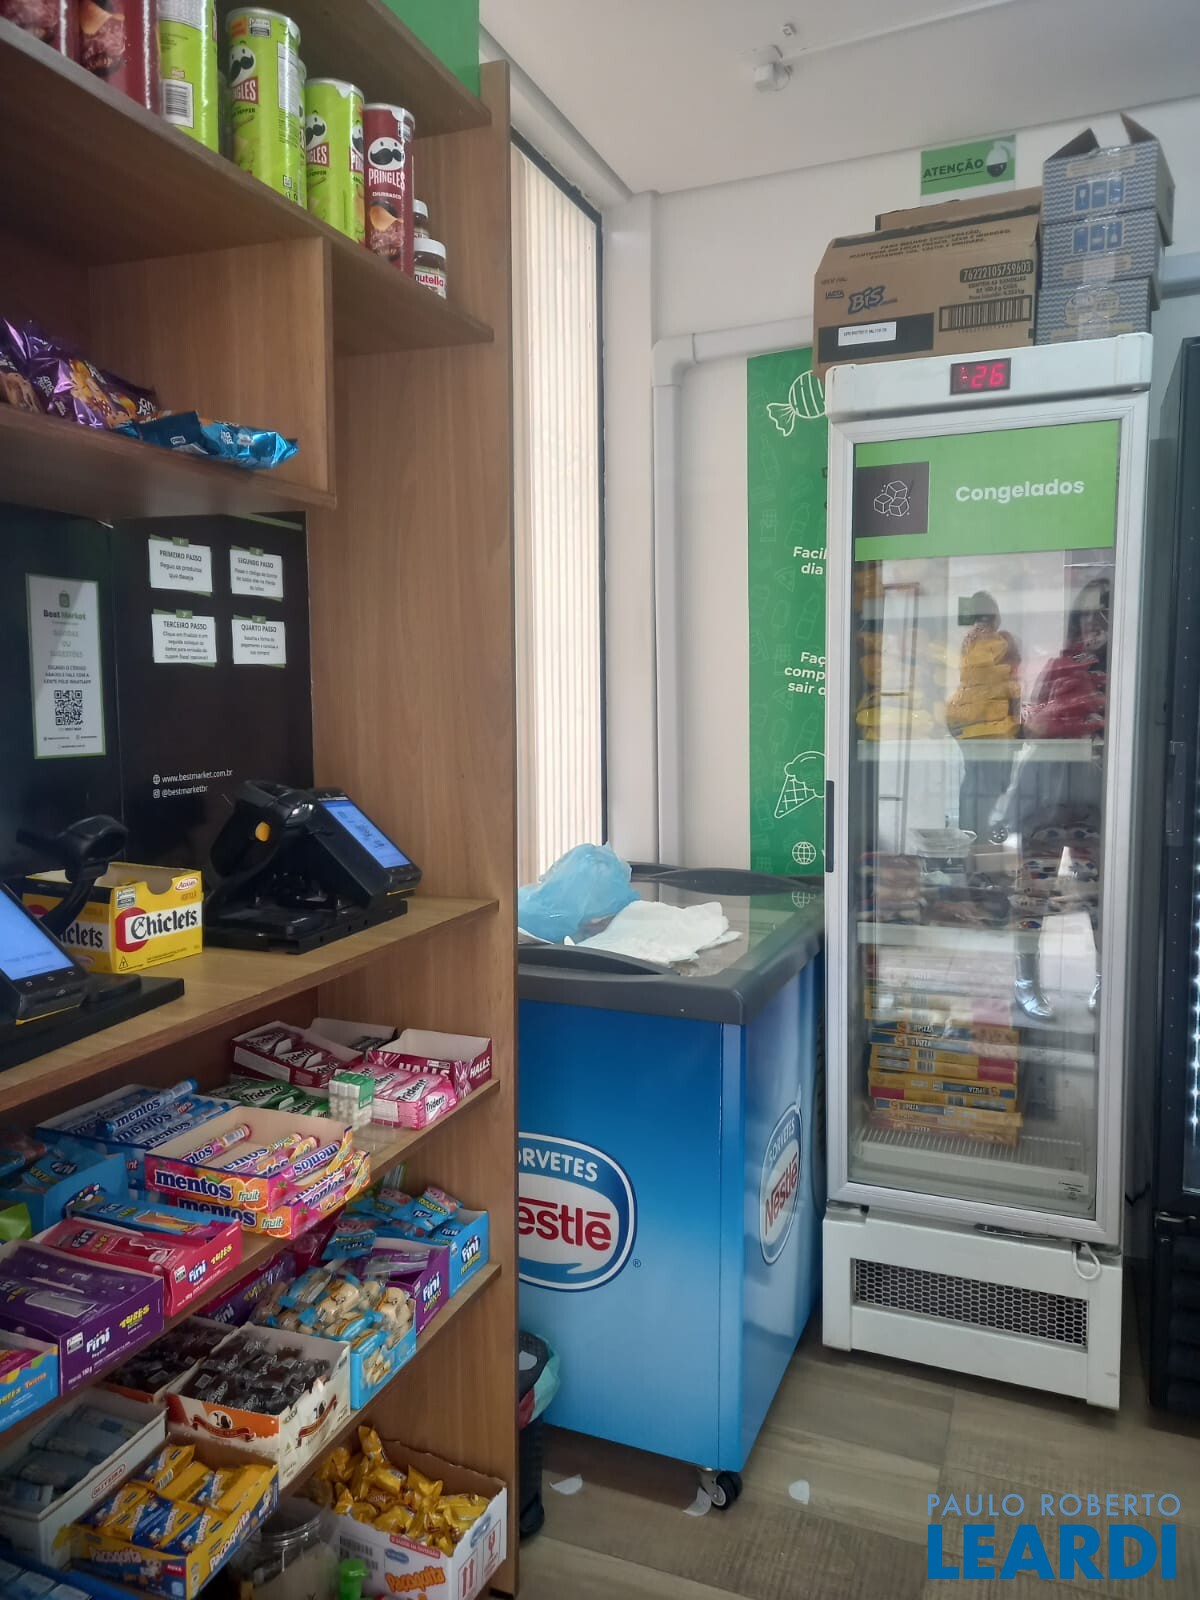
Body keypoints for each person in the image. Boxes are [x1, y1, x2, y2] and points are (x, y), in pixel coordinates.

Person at [1007, 576, 1108, 1021]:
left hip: (1101, 801)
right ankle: (1025, 981)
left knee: (1102, 895)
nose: (1093, 623)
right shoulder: (1058, 667)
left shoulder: (1127, 668)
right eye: (1086, 614)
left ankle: (1107, 977)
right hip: (1045, 795)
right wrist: (1062, 715)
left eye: (1104, 613)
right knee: (1033, 892)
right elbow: (1030, 724)